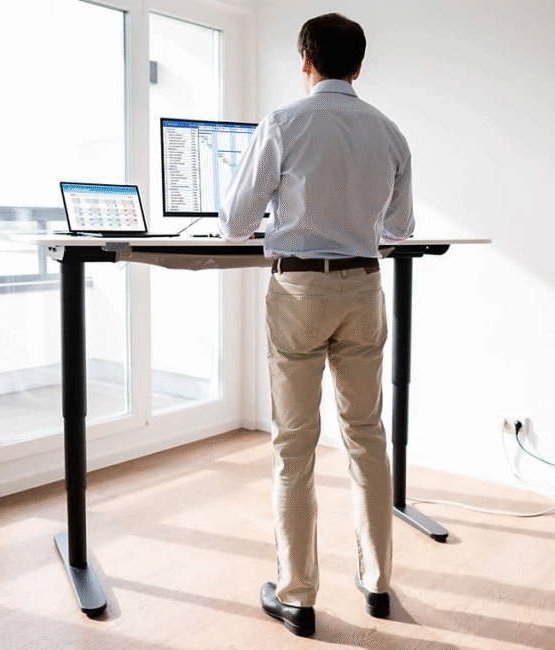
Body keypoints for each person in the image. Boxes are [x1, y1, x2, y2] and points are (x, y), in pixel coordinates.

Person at [219, 12, 414, 638]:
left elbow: (234, 223)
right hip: (364, 288)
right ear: (358, 66)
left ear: (305, 60)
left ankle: (297, 595)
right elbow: (400, 232)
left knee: (294, 446)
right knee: (366, 435)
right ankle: (378, 582)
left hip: (300, 289)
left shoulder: (282, 123)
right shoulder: (389, 133)